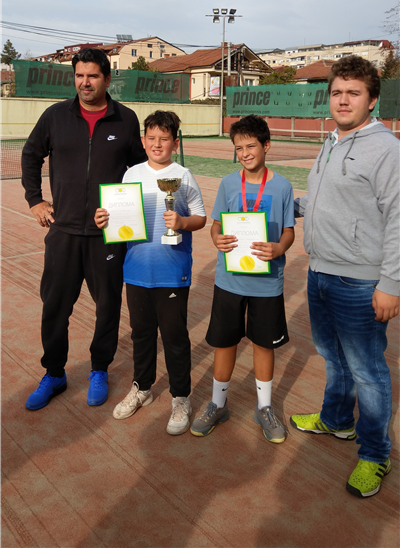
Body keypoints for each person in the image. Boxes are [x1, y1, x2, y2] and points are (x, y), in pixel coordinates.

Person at [290, 55, 399, 498]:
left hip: (360, 281)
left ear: (371, 100)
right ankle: (336, 419)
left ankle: (375, 454)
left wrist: (391, 284)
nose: (343, 100)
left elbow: (398, 219)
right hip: (320, 271)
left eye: (353, 92)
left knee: (368, 371)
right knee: (333, 359)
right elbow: (321, 200)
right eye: (337, 92)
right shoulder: (332, 141)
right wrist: (280, 205)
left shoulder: (386, 149)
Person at [22, 47, 146, 410]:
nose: (85, 82)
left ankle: (99, 369)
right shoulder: (55, 116)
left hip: (108, 235)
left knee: (107, 307)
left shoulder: (125, 119)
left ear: (106, 79)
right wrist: (35, 200)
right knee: (55, 307)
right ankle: (54, 373)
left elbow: (139, 170)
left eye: (92, 76)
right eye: (79, 75)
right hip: (62, 232)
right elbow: (30, 155)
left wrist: (132, 214)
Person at [95, 110, 206, 435]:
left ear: (175, 143)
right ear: (143, 141)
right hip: (137, 270)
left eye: (164, 139)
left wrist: (182, 222)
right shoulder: (131, 174)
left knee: (174, 336)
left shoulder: (183, 176)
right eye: (152, 138)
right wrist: (105, 219)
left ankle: (181, 397)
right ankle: (142, 388)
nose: (158, 144)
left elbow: (200, 218)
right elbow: (120, 215)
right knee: (141, 334)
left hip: (172, 271)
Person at [190, 115, 295, 442]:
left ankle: (264, 407)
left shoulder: (282, 186)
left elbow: (289, 231)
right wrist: (216, 238)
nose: (245, 153)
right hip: (230, 281)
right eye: (238, 148)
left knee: (264, 344)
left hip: (267, 282)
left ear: (266, 145)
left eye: (251, 146)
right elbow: (216, 225)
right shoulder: (227, 184)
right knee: (225, 342)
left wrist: (280, 247)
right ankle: (218, 404)